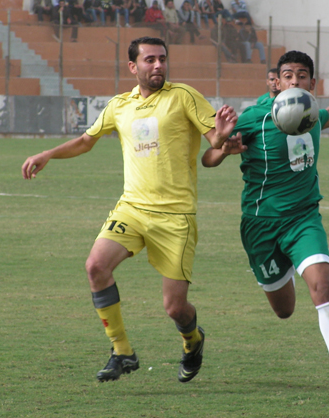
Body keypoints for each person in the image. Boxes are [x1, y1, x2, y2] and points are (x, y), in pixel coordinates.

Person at [21, 36, 238, 384]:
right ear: (133, 66)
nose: (158, 66)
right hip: (132, 209)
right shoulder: (119, 105)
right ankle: (122, 351)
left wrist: (223, 137)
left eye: (162, 59)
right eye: (150, 60)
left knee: (175, 309)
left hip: (175, 217)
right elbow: (85, 141)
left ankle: (192, 341)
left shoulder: (184, 96)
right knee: (95, 266)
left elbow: (214, 141)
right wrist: (48, 154)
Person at [201, 50, 329, 397]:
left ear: (311, 83)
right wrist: (223, 147)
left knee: (324, 289)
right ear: (277, 81)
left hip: (304, 219)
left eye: (302, 76)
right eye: (288, 76)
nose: (295, 82)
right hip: (261, 227)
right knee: (285, 310)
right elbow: (207, 158)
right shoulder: (255, 117)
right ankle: (283, 270)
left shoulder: (312, 114)